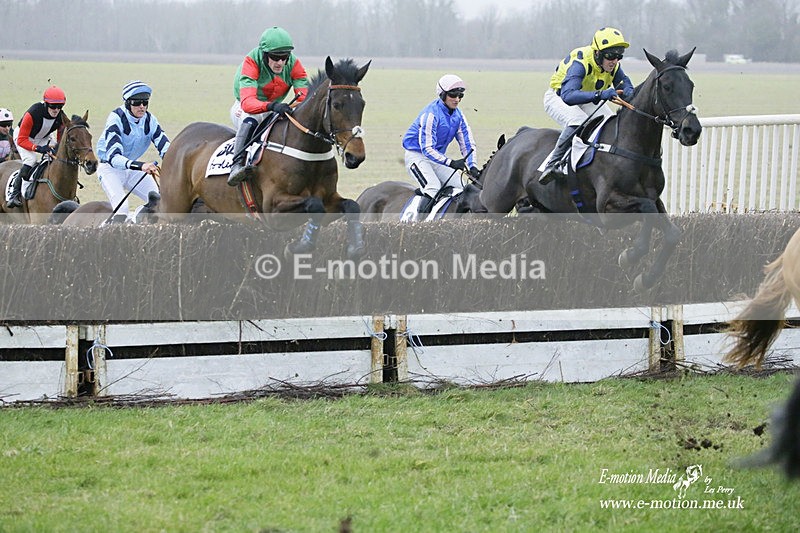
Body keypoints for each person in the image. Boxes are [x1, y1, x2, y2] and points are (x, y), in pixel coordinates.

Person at [539, 27, 635, 185]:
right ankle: (553, 164)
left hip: (585, 98)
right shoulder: (581, 63)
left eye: (619, 56)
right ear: (597, 53)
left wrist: (629, 92)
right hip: (558, 97)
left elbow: (624, 82)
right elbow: (568, 96)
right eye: (611, 56)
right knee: (578, 120)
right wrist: (600, 94)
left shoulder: (613, 65)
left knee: (610, 122)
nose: (615, 61)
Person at [228, 26, 310, 186]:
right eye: (275, 57)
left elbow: (304, 97)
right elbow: (248, 103)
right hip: (245, 107)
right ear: (265, 55)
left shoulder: (293, 64)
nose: (280, 62)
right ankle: (236, 165)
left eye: (284, 57)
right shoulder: (251, 62)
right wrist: (272, 106)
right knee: (251, 118)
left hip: (274, 107)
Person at [401, 74, 479, 218]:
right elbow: (427, 149)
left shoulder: (459, 115)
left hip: (436, 158)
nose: (457, 99)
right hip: (417, 156)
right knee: (433, 187)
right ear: (442, 94)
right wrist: (451, 162)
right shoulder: (431, 114)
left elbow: (467, 143)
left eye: (460, 95)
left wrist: (472, 165)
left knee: (465, 186)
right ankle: (417, 227)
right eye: (453, 95)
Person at [95, 80, 170, 222]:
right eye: (136, 102)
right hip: (110, 169)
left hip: (132, 169)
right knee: (122, 209)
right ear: (127, 103)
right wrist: (141, 166)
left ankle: (135, 221)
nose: (141, 107)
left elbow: (165, 146)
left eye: (145, 102)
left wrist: (174, 162)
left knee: (159, 202)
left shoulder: (150, 120)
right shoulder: (115, 118)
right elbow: (114, 157)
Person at [7, 86, 67, 208]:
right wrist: (38, 148)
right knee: (31, 160)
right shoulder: (33, 113)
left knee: (55, 158)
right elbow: (22, 140)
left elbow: (60, 140)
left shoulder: (61, 116)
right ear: (45, 104)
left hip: (44, 136)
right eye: (52, 106)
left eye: (60, 106)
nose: (56, 110)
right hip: (23, 137)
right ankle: (14, 194)